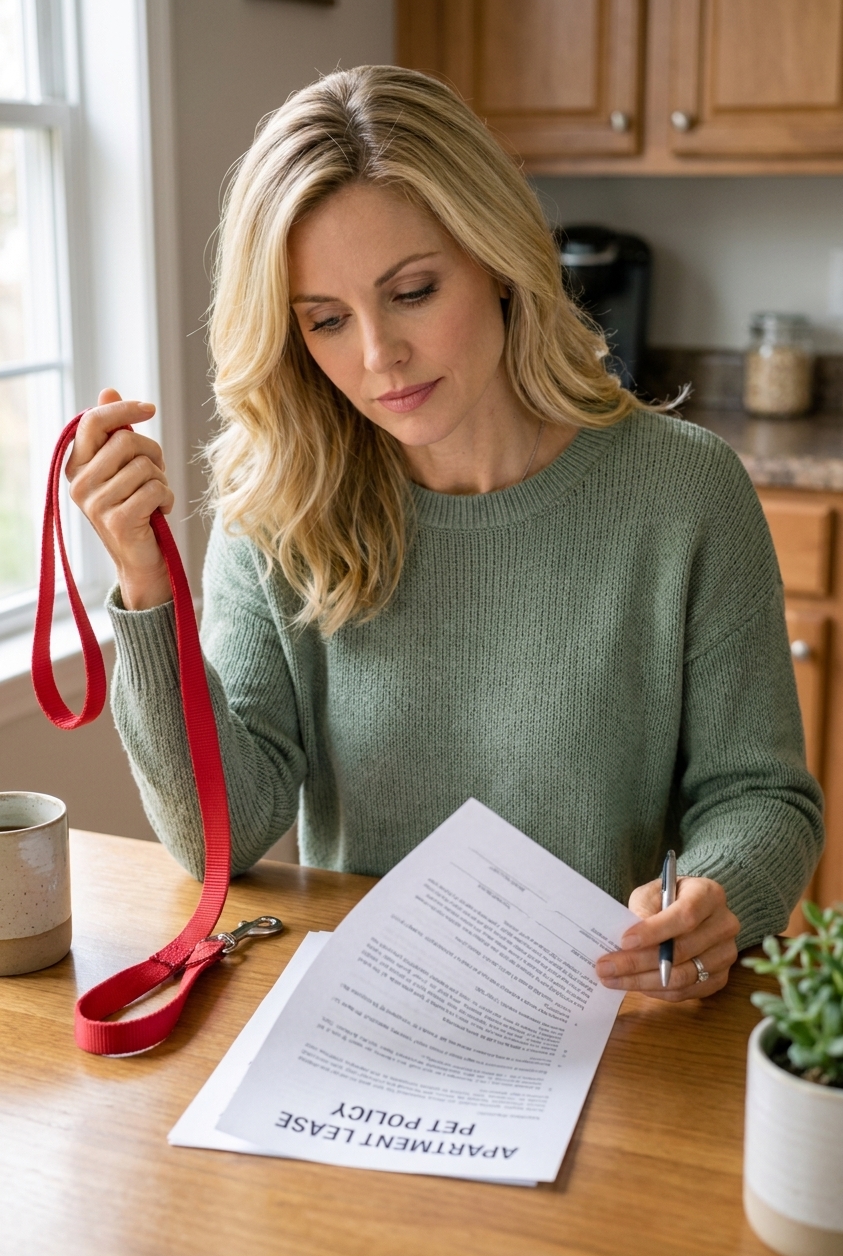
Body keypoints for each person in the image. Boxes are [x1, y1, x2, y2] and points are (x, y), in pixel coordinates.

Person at [66, 65, 822, 1004]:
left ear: (498, 260)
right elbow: (222, 831)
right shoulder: (282, 510)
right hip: (374, 1024)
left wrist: (719, 896)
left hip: (615, 1021)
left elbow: (761, 797)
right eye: (328, 320)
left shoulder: (683, 491)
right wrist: (145, 583)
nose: (378, 355)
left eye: (413, 291)